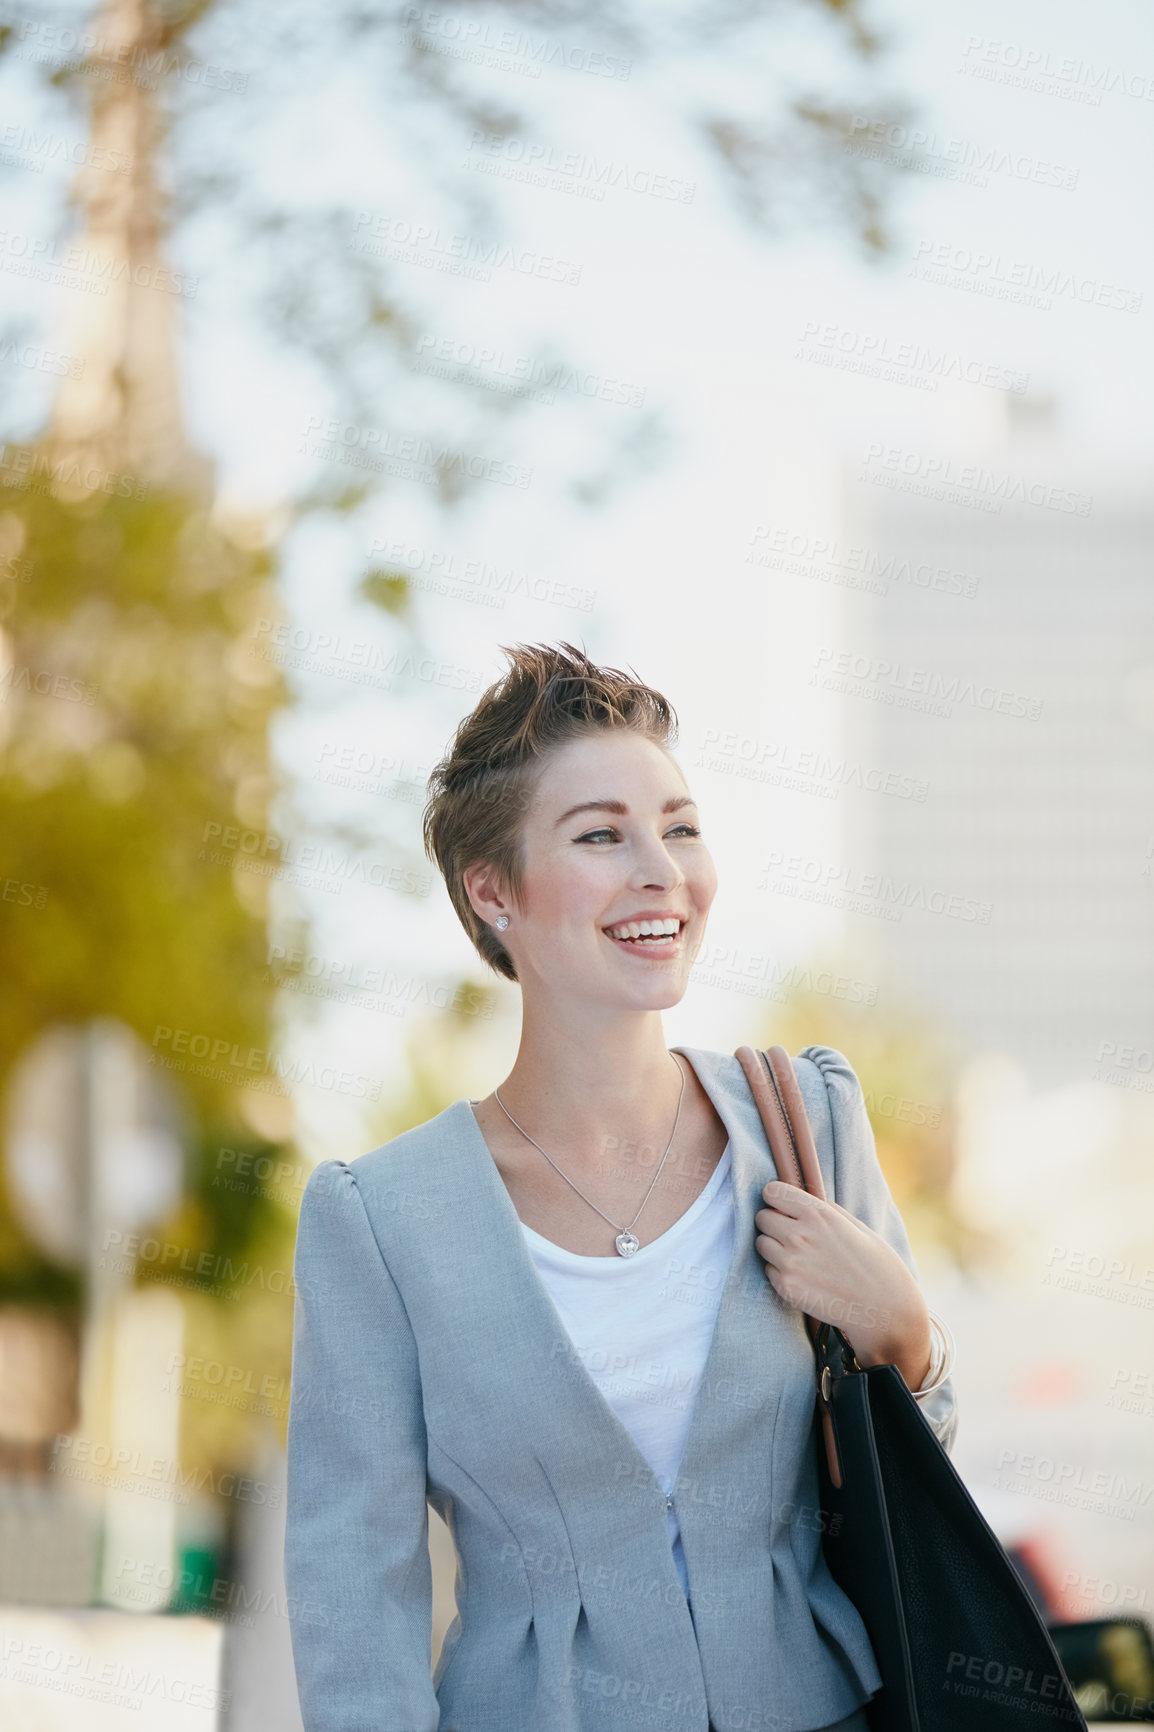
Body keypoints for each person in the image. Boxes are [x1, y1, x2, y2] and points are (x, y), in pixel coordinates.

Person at [284, 641, 957, 1732]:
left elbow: (922, 1459)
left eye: (678, 825)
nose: (660, 870)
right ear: (491, 891)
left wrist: (906, 1331)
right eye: (600, 834)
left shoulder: (807, 1123)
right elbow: (352, 1580)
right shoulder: (380, 1221)